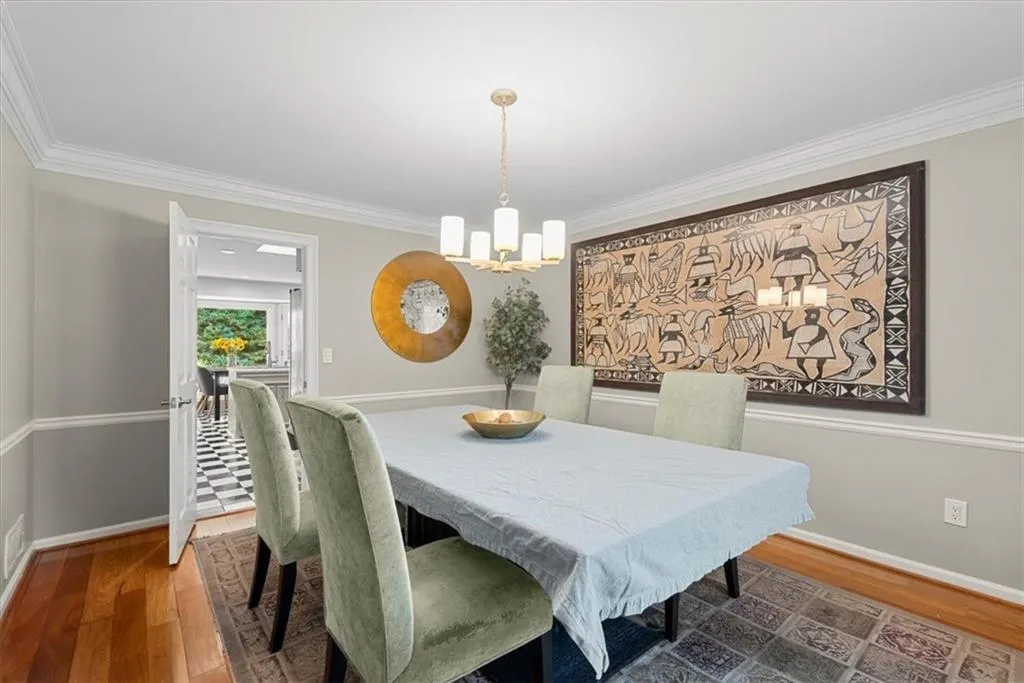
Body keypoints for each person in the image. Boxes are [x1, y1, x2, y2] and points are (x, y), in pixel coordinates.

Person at [781, 307, 835, 380]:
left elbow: (821, 336)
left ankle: (818, 375)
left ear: (813, 316)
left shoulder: (820, 328)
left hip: (818, 350)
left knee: (819, 365)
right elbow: (786, 335)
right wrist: (784, 323)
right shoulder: (800, 329)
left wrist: (810, 343)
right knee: (800, 364)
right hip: (804, 350)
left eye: (807, 316)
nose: (805, 318)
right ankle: (808, 376)